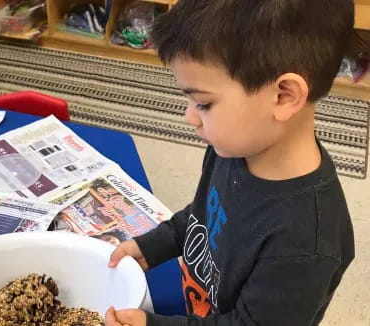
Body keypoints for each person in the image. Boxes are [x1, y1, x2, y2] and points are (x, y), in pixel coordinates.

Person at [105, 1, 355, 326]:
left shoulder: (305, 244)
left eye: (204, 103)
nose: (189, 116)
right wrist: (153, 246)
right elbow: (203, 216)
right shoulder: (236, 147)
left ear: (284, 96)